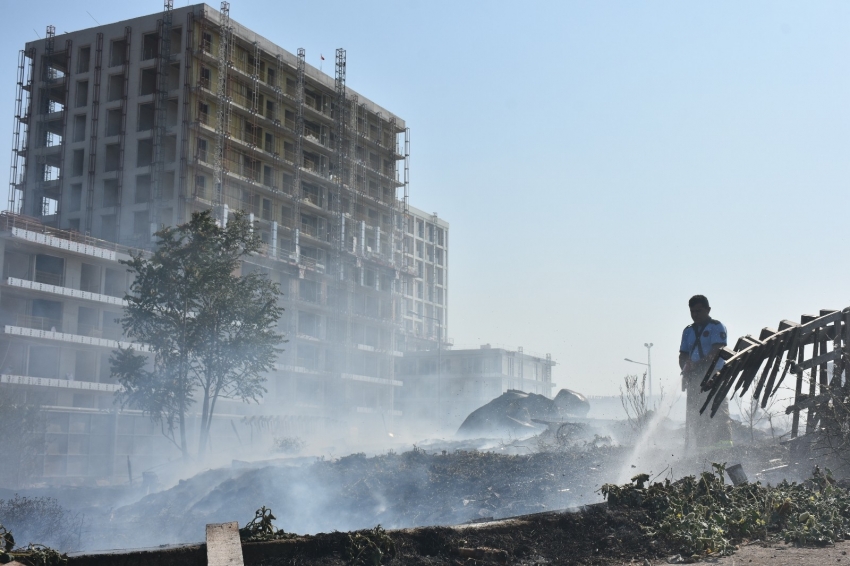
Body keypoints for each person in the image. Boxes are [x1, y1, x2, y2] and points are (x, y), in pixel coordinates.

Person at [679, 295, 733, 451]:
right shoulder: (688, 331)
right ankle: (701, 448)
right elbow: (682, 354)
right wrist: (685, 369)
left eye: (699, 311)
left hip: (714, 375)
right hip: (694, 378)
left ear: (708, 310)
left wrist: (696, 364)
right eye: (692, 311)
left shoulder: (717, 327)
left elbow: (717, 351)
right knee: (696, 413)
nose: (696, 314)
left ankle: (724, 448)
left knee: (718, 410)